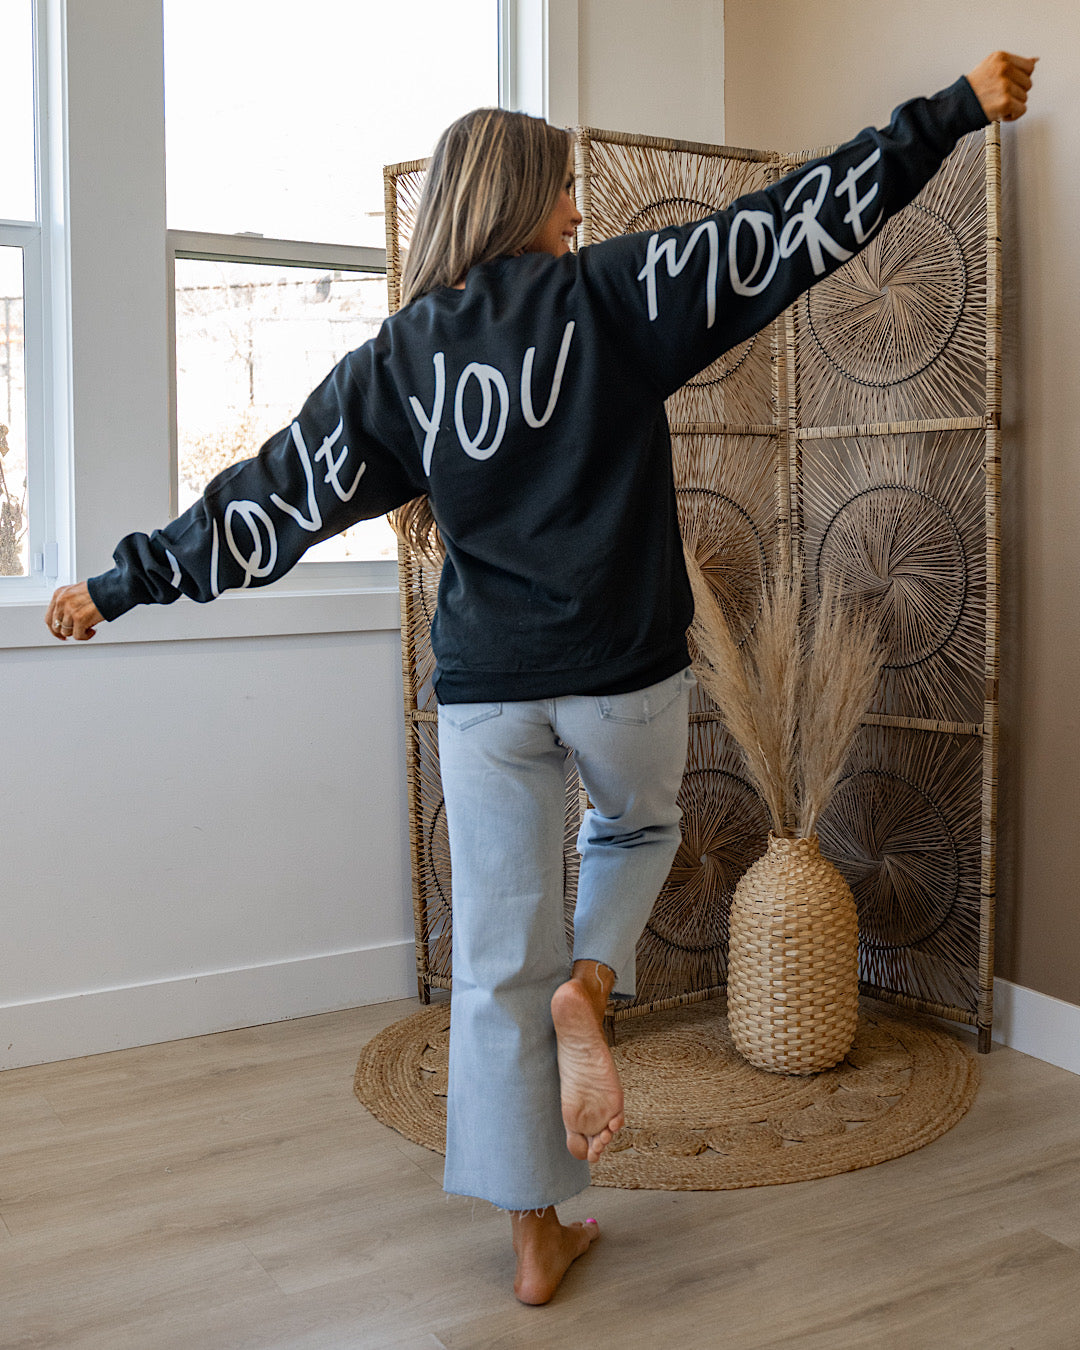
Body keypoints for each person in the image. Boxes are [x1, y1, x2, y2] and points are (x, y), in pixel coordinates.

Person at [48, 51, 1035, 1305]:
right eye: (563, 189)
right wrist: (950, 111)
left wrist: (121, 583)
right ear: (517, 196)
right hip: (623, 674)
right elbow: (785, 231)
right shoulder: (613, 296)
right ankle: (596, 982)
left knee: (493, 965)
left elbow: (271, 498)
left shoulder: (400, 361)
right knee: (637, 826)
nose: (580, 210)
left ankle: (534, 1238)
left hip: (486, 695)